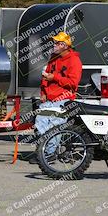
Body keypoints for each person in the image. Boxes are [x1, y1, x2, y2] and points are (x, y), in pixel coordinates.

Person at [29, 32, 82, 164]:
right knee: (40, 123)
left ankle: (49, 154)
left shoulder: (74, 60)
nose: (54, 45)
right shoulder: (53, 57)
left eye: (57, 43)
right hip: (49, 98)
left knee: (54, 126)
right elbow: (46, 75)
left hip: (63, 99)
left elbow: (73, 83)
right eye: (55, 42)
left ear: (65, 46)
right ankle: (45, 151)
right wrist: (43, 91)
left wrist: (55, 78)